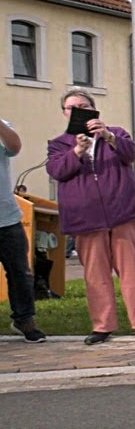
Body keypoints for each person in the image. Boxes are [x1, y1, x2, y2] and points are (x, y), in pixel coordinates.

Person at [47, 88, 135, 344]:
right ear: (65, 113)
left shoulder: (117, 133)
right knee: (95, 275)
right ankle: (102, 325)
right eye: (72, 107)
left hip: (122, 214)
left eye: (84, 105)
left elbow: (132, 154)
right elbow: (56, 170)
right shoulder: (59, 144)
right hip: (86, 219)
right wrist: (77, 151)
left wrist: (109, 137)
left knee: (132, 271)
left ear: (93, 108)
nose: (78, 110)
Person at [0, 118, 45, 343]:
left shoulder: (2, 126)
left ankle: (24, 319)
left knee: (20, 273)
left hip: (6, 218)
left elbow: (14, 147)